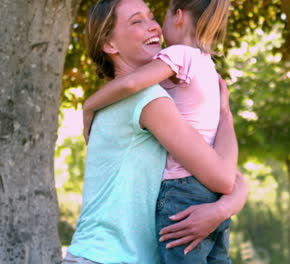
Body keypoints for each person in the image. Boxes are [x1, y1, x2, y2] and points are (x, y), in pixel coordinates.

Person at [63, 0, 247, 263]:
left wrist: (219, 211)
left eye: (152, 17)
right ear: (110, 44)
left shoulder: (148, 99)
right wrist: (221, 209)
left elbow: (232, 177)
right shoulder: (148, 100)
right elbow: (224, 178)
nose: (154, 27)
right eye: (137, 21)